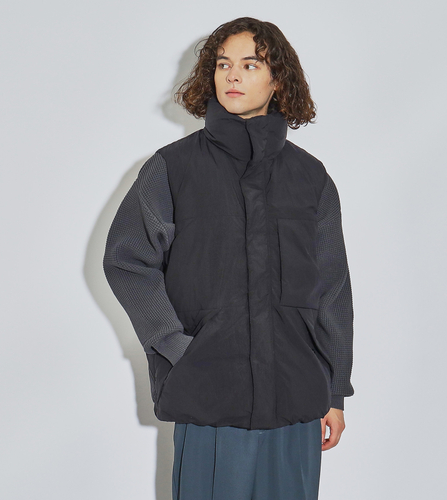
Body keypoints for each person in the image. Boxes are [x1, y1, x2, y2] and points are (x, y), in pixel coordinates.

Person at [103, 16, 354, 500]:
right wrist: (176, 346)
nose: (233, 75)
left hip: (297, 400)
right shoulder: (173, 168)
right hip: (209, 396)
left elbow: (333, 288)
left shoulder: (311, 177)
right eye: (223, 64)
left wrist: (335, 389)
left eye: (250, 64)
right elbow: (127, 261)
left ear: (278, 80)